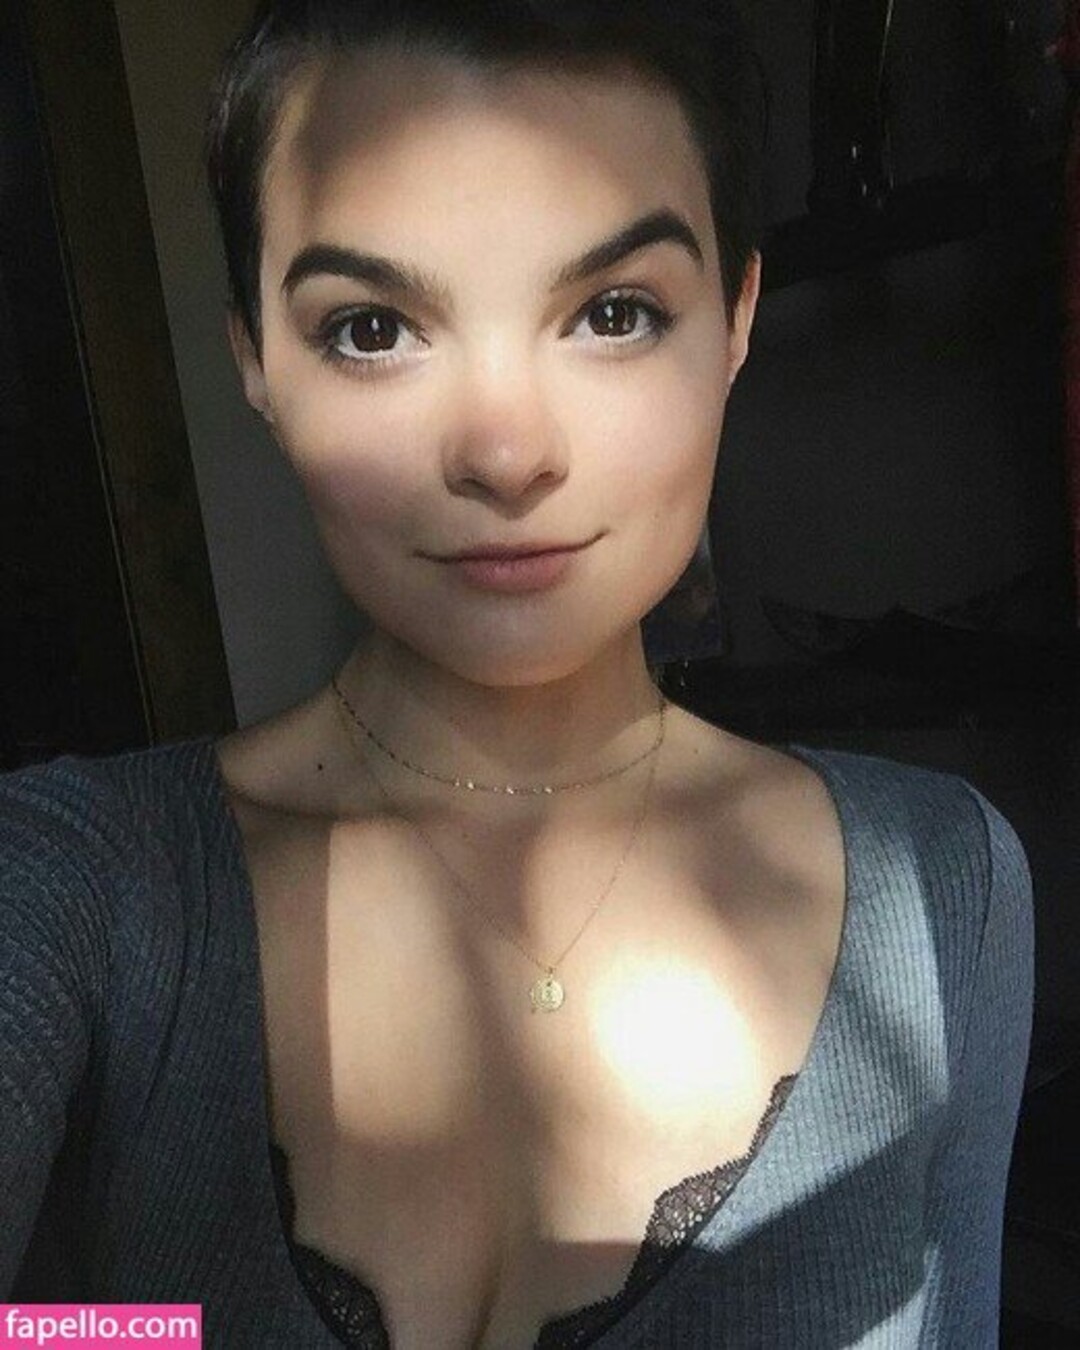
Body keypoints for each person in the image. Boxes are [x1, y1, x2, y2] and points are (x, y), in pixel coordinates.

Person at [0, 1, 1033, 1346]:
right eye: (372, 328)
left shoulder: (946, 886)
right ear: (254, 352)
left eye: (614, 312)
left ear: (735, 319)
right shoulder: (73, 885)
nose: (504, 455)